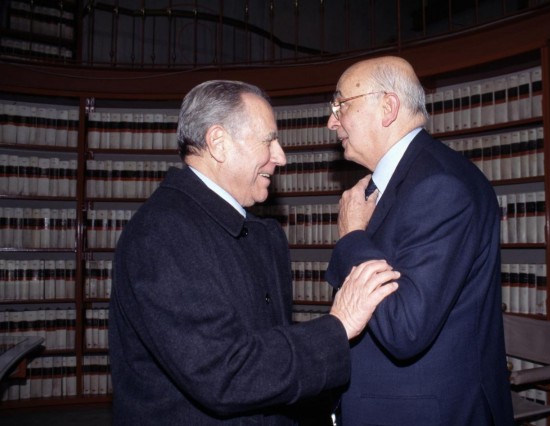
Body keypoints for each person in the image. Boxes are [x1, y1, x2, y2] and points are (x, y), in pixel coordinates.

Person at [108, 80, 400, 425]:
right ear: (218, 143)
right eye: (269, 141)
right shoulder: (161, 234)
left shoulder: (262, 234)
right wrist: (339, 325)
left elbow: (269, 362)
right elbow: (224, 374)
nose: (281, 157)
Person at [325, 56, 514, 425]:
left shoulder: (439, 185)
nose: (332, 122)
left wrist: (353, 236)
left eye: (340, 105)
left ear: (388, 107)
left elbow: (406, 328)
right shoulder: (407, 179)